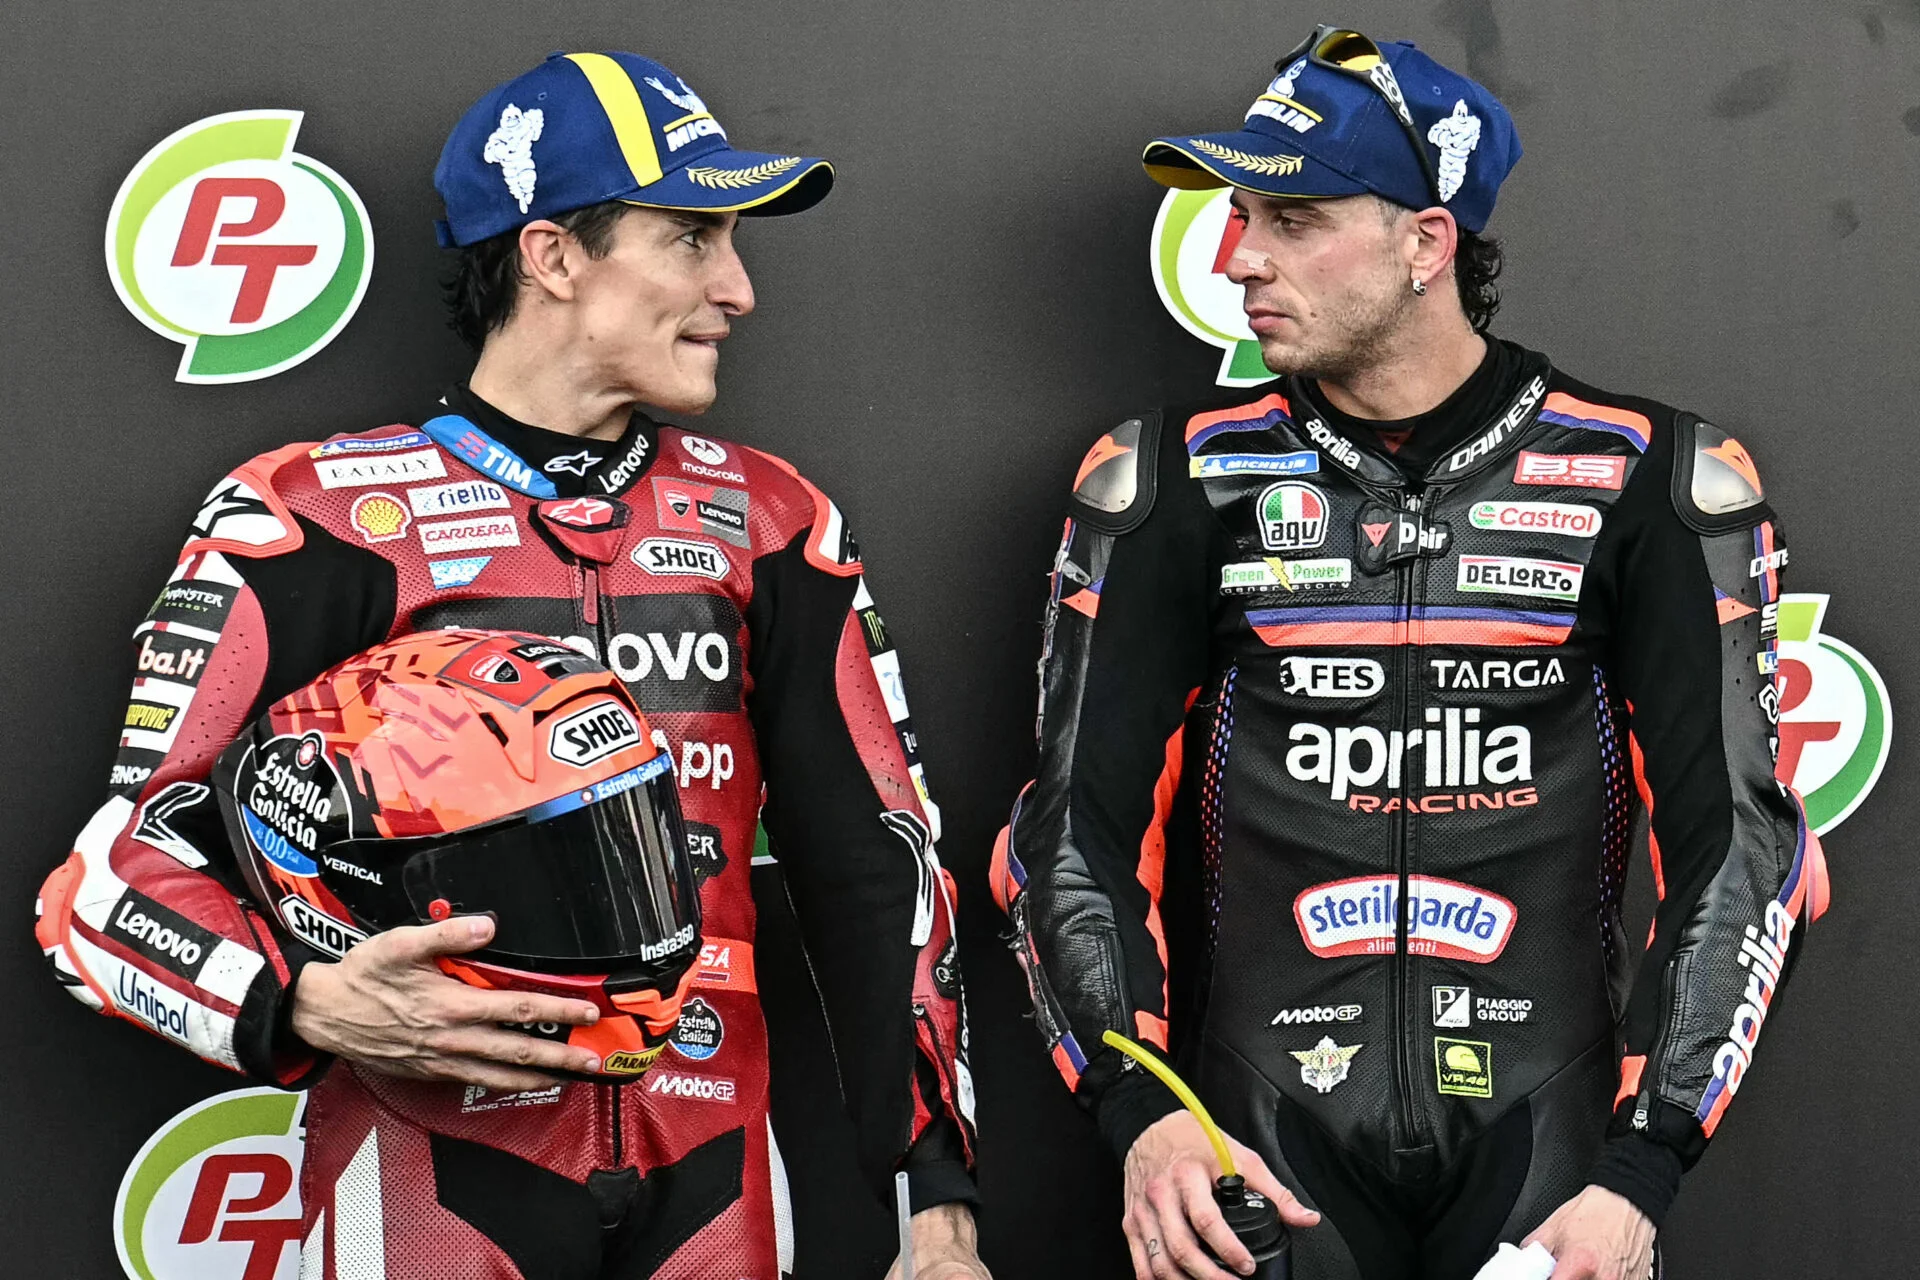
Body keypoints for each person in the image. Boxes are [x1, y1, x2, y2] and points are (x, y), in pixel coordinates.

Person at [37, 51, 986, 1280]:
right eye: (692, 238)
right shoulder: (316, 515)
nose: (739, 288)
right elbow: (110, 878)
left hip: (716, 1176)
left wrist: (938, 1214)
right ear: (552, 256)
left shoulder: (771, 521)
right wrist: (299, 1000)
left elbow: (879, 870)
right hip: (427, 1168)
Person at [990, 26, 1825, 1280]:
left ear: (1427, 243)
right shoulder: (1169, 477)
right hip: (1257, 1144)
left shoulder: (1651, 477)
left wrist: (1642, 1168)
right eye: (1240, 215)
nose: (1238, 255)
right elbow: (1070, 832)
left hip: (1554, 1156)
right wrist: (1144, 1113)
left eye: (1293, 218)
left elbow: (1743, 845)